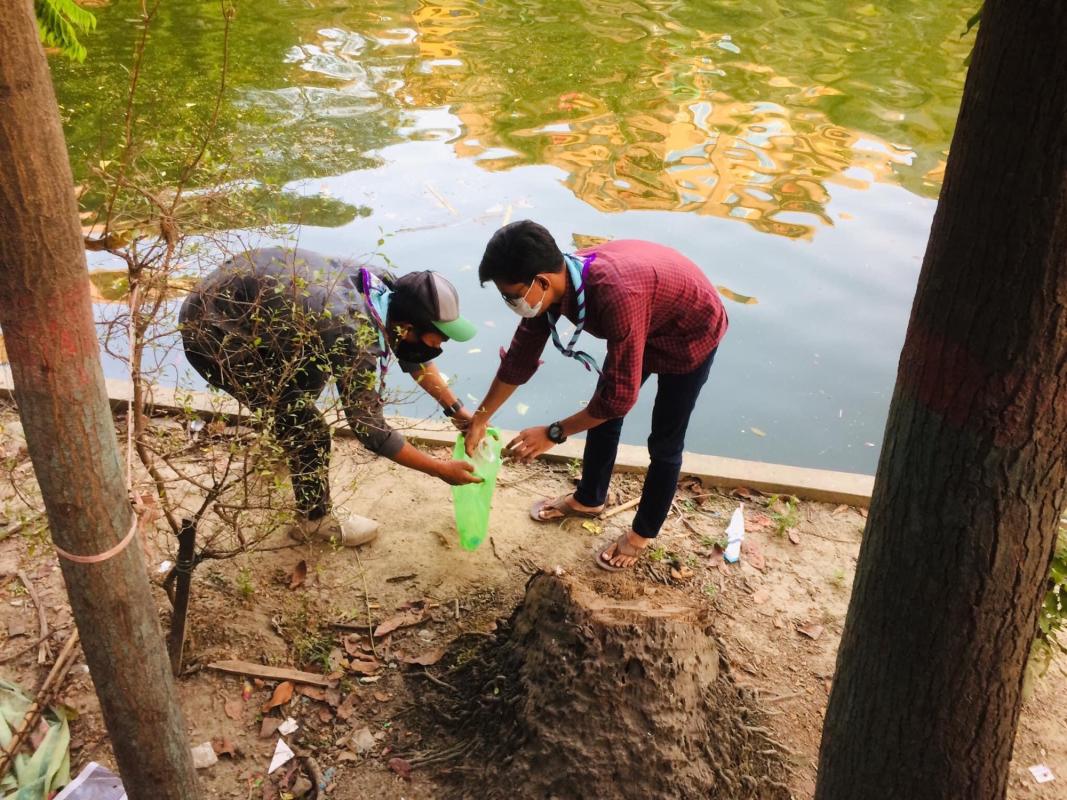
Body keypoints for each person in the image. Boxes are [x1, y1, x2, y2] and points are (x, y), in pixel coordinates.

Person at [464, 221, 727, 571]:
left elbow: (618, 400)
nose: (511, 303)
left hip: (690, 330)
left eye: (512, 295)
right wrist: (480, 419)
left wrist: (553, 433)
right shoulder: (556, 285)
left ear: (541, 282)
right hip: (645, 316)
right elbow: (519, 359)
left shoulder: (615, 295)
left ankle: (642, 534)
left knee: (664, 442)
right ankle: (589, 498)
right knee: (602, 409)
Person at [179, 246, 481, 548]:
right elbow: (370, 429)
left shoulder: (386, 289)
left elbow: (412, 354)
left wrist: (455, 410)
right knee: (309, 430)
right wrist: (438, 469)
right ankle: (314, 521)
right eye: (437, 340)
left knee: (310, 376)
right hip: (211, 333)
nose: (440, 346)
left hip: (245, 303)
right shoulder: (351, 331)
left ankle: (283, 442)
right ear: (407, 328)